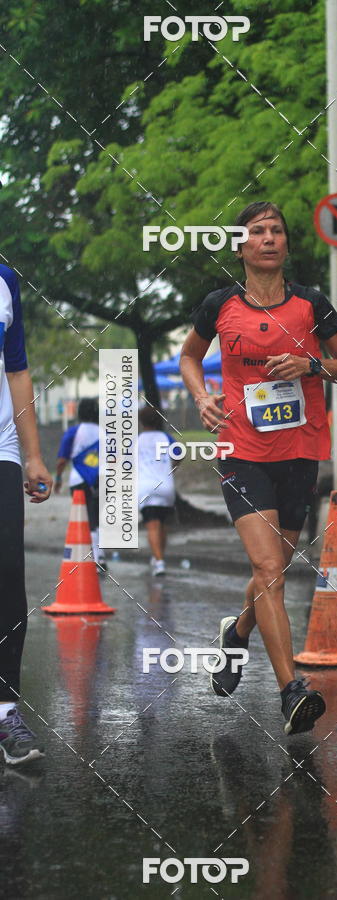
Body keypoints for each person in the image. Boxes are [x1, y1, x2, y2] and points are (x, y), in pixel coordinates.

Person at [180, 200, 337, 735]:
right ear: (240, 246)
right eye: (256, 231)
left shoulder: (311, 304)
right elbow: (191, 356)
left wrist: (312, 365)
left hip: (298, 454)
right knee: (269, 571)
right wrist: (201, 395)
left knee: (272, 572)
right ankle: (291, 691)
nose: (268, 238)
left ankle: (236, 635)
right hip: (241, 453)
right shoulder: (219, 304)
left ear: (286, 243)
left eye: (276, 230)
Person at [0, 263, 52, 764]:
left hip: (1, 448)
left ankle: (4, 714)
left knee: (8, 581)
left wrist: (33, 454)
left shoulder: (6, 279)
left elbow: (16, 369)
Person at [55, 398, 104, 572]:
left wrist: (59, 478)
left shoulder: (74, 432)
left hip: (79, 480)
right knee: (98, 518)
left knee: (86, 519)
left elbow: (62, 460)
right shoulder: (105, 432)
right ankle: (101, 554)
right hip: (102, 479)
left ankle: (95, 559)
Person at [137, 405, 178, 576]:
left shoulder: (136, 441)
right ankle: (158, 556)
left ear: (140, 422)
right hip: (166, 487)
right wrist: (171, 469)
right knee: (162, 525)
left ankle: (159, 562)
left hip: (146, 488)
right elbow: (179, 454)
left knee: (152, 526)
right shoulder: (166, 437)